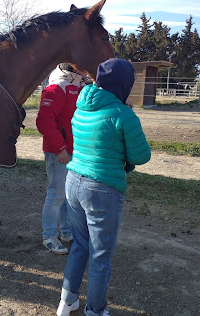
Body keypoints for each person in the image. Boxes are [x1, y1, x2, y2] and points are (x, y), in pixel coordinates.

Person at [56, 59, 151, 316]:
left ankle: (67, 302)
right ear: (124, 84)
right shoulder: (123, 114)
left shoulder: (81, 106)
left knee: (80, 245)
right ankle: (95, 310)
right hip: (103, 189)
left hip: (73, 180)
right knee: (100, 256)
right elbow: (142, 155)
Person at [36, 63, 86, 254]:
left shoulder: (79, 86)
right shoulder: (57, 88)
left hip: (74, 150)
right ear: (74, 68)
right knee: (56, 194)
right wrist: (60, 148)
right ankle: (48, 236)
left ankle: (66, 232)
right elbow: (44, 121)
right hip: (60, 152)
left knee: (69, 195)